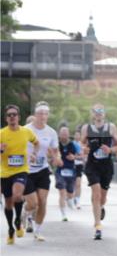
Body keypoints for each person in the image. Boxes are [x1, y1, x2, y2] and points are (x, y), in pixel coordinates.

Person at [80, 104, 117, 240]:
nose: (98, 114)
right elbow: (81, 145)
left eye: (101, 111)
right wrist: (84, 149)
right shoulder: (86, 128)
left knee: (102, 197)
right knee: (96, 193)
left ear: (104, 114)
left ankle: (101, 207)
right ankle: (98, 225)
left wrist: (110, 150)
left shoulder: (111, 127)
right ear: (92, 114)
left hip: (106, 166)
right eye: (96, 111)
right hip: (92, 165)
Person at [23, 101, 60, 240]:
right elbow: (17, 148)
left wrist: (56, 158)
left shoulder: (51, 132)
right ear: (35, 115)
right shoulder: (26, 130)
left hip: (43, 169)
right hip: (27, 170)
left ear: (48, 115)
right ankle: (25, 212)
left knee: (42, 201)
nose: (43, 116)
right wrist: (28, 156)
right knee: (33, 203)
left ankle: (37, 231)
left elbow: (55, 150)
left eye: (45, 113)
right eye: (40, 113)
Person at [2, 105, 38, 244]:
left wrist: (34, 153)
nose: (12, 117)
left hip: (21, 170)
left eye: (14, 114)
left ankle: (18, 220)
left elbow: (36, 143)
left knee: (18, 195)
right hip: (5, 172)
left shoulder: (26, 132)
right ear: (6, 118)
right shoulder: (1, 134)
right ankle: (11, 228)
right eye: (9, 115)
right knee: (8, 203)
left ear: (18, 117)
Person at [55, 126, 80, 222]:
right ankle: (63, 214)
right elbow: (50, 154)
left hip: (71, 171)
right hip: (60, 171)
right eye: (62, 133)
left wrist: (74, 157)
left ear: (69, 135)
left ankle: (70, 200)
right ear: (59, 135)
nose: (64, 135)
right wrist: (55, 159)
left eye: (66, 133)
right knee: (62, 192)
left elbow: (81, 155)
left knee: (70, 194)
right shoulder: (56, 144)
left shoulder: (74, 144)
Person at [72, 129, 84, 209]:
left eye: (78, 135)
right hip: (71, 165)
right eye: (76, 135)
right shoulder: (71, 144)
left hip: (79, 165)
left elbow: (83, 156)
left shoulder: (82, 145)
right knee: (72, 184)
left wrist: (76, 156)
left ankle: (78, 200)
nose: (77, 136)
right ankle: (71, 198)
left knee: (78, 184)